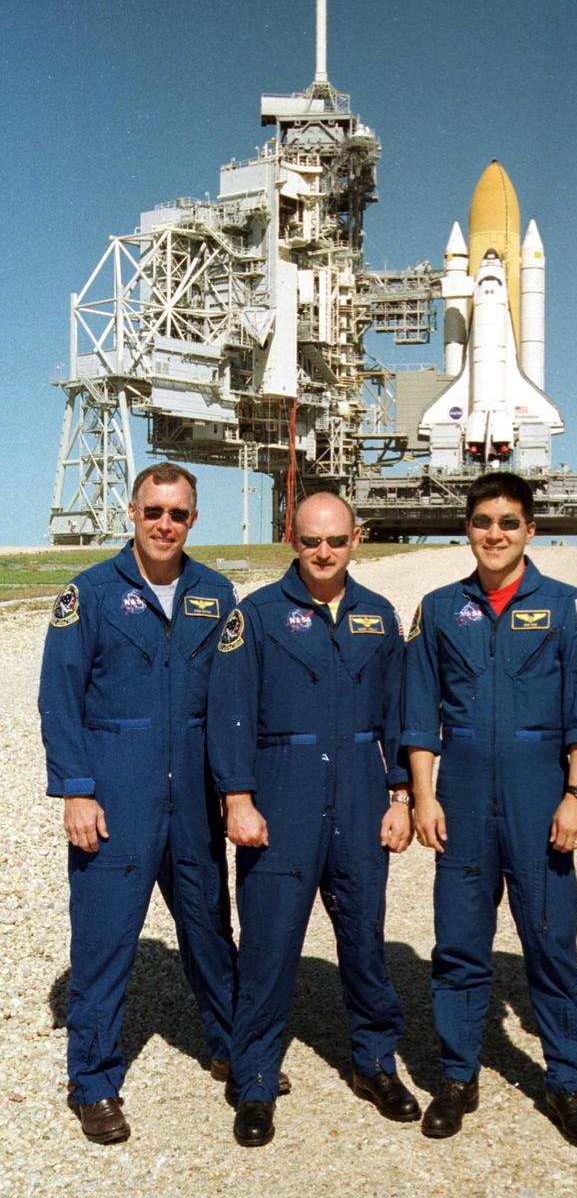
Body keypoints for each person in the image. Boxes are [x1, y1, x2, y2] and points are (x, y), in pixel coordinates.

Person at [206, 491, 419, 1147]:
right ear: (291, 541)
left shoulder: (378, 616)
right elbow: (229, 712)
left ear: (355, 538)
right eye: (309, 540)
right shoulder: (257, 616)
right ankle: (255, 1079)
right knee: (269, 946)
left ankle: (375, 1062)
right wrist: (238, 798)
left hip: (359, 790)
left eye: (334, 540)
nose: (323, 552)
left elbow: (399, 713)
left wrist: (401, 797)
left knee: (364, 938)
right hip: (282, 788)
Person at [402, 471, 577, 1145]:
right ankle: (457, 1076)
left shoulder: (567, 606)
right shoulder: (439, 609)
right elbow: (418, 713)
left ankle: (565, 1080)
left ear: (530, 531)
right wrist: (424, 795)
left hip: (538, 791)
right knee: (459, 945)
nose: (495, 534)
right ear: (468, 528)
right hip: (461, 794)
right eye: (483, 522)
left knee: (550, 944)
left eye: (508, 522)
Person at [39, 462, 239, 1144]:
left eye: (177, 514)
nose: (164, 524)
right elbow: (58, 699)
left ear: (193, 519)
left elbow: (232, 701)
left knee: (209, 929)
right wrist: (75, 790)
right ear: (132, 512)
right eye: (153, 510)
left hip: (195, 801)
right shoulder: (90, 593)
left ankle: (231, 1047)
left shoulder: (216, 594)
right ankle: (94, 1082)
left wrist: (235, 789)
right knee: (104, 940)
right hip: (115, 797)